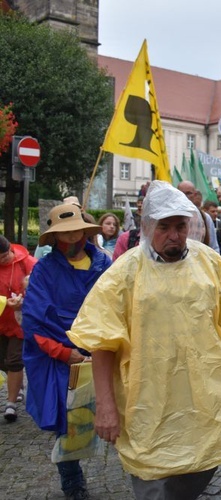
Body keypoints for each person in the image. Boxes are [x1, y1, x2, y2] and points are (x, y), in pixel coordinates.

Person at [66, 181, 221, 500]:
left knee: (202, 461)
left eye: (180, 226)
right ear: (146, 227)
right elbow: (103, 342)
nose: (174, 234)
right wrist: (105, 406)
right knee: (153, 478)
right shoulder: (125, 273)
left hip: (202, 394)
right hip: (148, 399)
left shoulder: (207, 262)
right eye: (164, 227)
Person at [22, 203, 110, 500]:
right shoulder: (44, 271)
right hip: (63, 359)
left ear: (86, 232)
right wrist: (64, 353)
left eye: (77, 233)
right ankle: (72, 483)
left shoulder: (104, 265)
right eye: (65, 234)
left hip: (102, 353)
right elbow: (34, 323)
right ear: (55, 238)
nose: (72, 239)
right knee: (67, 421)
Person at [0, 235, 36, 422]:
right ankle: (17, 385)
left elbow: (40, 287)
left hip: (20, 322)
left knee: (14, 360)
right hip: (1, 321)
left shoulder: (27, 262)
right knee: (3, 362)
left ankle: (11, 404)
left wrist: (23, 300)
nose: (3, 260)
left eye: (5, 255)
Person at [177, 180, 221, 252]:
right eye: (181, 193)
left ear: (194, 195)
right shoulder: (170, 216)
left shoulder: (205, 217)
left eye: (188, 193)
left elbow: (213, 247)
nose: (184, 196)